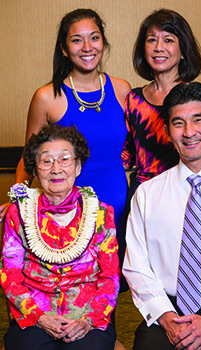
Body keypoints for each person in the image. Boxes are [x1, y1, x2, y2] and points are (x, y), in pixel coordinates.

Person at [0, 9, 131, 279]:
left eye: (94, 38)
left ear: (103, 43)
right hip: (66, 207)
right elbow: (30, 159)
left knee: (110, 283)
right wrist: (16, 202)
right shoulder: (47, 97)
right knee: (70, 283)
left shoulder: (122, 89)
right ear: (63, 48)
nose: (87, 47)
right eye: (76, 40)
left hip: (118, 201)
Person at [123, 82, 201, 350]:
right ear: (167, 132)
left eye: (198, 120)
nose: (189, 132)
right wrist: (167, 319)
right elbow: (136, 267)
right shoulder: (147, 194)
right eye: (178, 123)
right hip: (167, 312)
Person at [0, 125, 120, 350]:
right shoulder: (19, 212)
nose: (56, 169)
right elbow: (10, 275)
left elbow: (110, 277)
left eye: (65, 159)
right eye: (46, 161)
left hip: (87, 320)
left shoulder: (101, 214)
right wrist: (39, 318)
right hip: (34, 319)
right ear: (35, 172)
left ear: (78, 167)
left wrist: (88, 321)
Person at [122, 9, 201, 196]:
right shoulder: (133, 99)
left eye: (168, 40)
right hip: (145, 193)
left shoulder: (199, 97)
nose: (158, 47)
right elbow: (126, 157)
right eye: (151, 40)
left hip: (189, 191)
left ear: (183, 51)